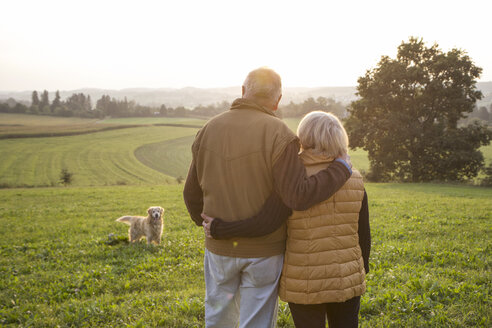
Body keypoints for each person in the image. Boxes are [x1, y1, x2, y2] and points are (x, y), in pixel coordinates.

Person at [183, 67, 353, 328]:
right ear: (278, 100)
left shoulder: (208, 129)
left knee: (218, 318)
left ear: (242, 91)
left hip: (218, 248)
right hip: (265, 251)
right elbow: (296, 195)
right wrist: (341, 168)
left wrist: (205, 223)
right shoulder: (281, 135)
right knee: (257, 323)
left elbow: (191, 194)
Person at [202, 111, 370, 328]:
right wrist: (360, 268)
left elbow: (266, 222)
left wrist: (220, 228)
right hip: (347, 278)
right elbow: (363, 233)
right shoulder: (354, 177)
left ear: (304, 137)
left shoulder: (291, 178)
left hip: (303, 282)